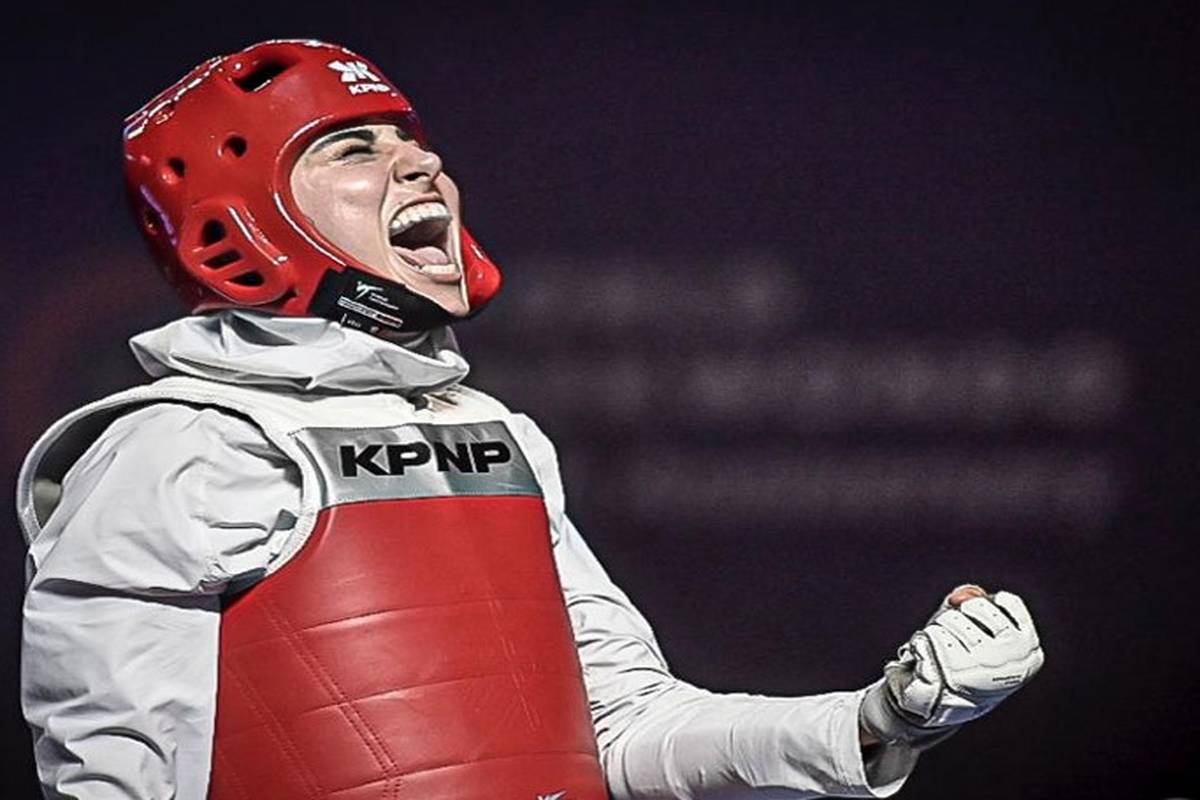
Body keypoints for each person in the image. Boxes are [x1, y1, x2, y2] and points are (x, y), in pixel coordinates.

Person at [16, 40, 1044, 800]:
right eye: (353, 149)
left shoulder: (496, 432)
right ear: (242, 224)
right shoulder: (177, 443)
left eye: (414, 143)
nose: (420, 166)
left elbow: (624, 728)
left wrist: (880, 717)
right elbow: (107, 774)